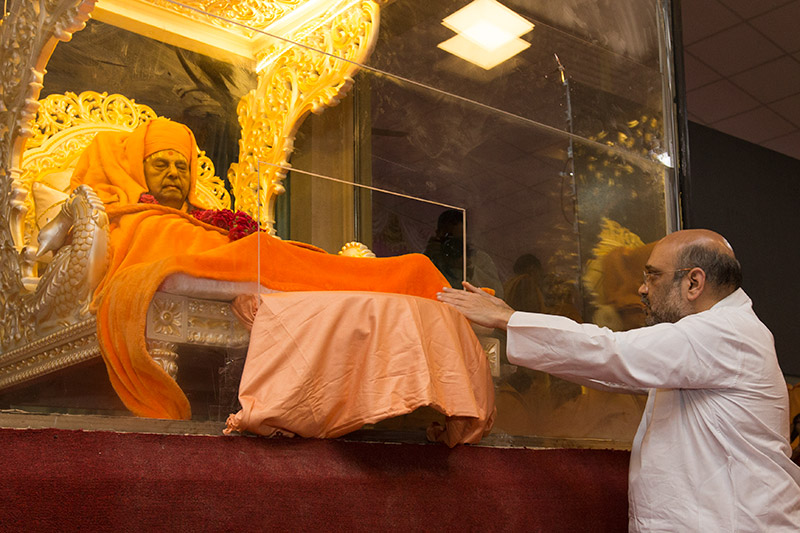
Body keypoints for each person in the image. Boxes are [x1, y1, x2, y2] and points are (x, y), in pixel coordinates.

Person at [67, 118, 471, 421]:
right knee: (348, 272)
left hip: (261, 266)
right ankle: (411, 280)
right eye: (160, 165)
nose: (174, 173)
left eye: (181, 166)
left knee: (332, 264)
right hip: (248, 270)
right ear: (138, 170)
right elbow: (152, 265)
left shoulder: (211, 220)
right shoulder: (134, 220)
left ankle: (415, 279)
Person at [438, 229, 800, 530]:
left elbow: (614, 352)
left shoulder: (723, 333)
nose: (642, 289)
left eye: (652, 276)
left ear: (693, 282)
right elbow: (611, 373)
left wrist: (509, 319)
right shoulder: (714, 337)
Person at [424, 209, 504, 298]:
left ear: (465, 238)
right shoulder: (432, 256)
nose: (452, 245)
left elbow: (498, 294)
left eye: (457, 240)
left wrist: (470, 268)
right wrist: (428, 256)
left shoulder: (478, 259)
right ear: (438, 234)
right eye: (448, 238)